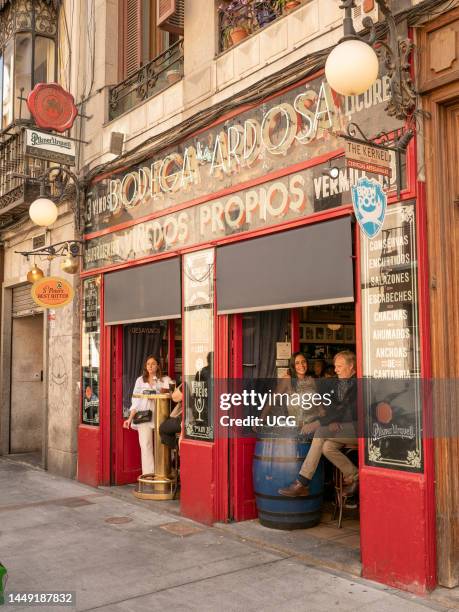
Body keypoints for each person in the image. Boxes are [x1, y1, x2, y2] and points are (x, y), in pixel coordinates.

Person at [278, 350, 358, 497]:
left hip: (359, 429)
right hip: (343, 429)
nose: (335, 370)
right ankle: (355, 476)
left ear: (351, 366)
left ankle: (302, 482)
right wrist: (331, 419)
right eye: (335, 366)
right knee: (327, 447)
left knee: (320, 432)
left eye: (339, 366)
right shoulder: (339, 383)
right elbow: (333, 407)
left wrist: (320, 423)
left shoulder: (358, 383)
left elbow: (347, 411)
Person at [123, 356, 171, 475]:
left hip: (161, 415)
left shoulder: (165, 379)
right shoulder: (140, 380)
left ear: (158, 365)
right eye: (148, 364)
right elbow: (135, 400)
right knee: (146, 445)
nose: (150, 366)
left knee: (163, 444)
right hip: (144, 415)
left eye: (153, 364)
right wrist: (129, 418)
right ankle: (149, 475)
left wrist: (159, 392)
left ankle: (162, 473)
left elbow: (173, 394)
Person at [159, 383, 183, 448]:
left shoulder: (188, 381)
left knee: (162, 429)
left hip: (186, 419)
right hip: (205, 422)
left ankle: (178, 446)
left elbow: (175, 398)